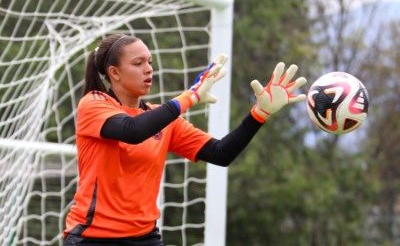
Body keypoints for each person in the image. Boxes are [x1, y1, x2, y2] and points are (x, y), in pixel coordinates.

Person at [63, 34, 307, 246]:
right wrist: (189, 97)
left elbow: (221, 153)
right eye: (138, 63)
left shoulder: (163, 119)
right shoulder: (93, 104)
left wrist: (259, 114)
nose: (148, 69)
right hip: (93, 238)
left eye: (149, 62)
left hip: (145, 237)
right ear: (113, 73)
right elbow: (132, 131)